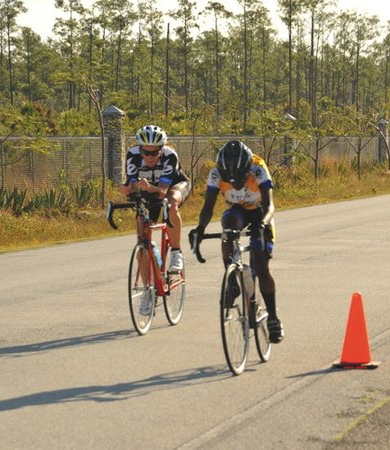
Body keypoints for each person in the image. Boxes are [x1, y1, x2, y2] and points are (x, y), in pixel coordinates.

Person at [189, 140, 284, 343]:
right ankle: (232, 281)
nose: (237, 184)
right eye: (231, 181)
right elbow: (208, 207)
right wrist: (200, 229)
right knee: (229, 226)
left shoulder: (258, 168)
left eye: (241, 179)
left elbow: (270, 206)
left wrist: (263, 225)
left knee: (261, 264)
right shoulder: (215, 174)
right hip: (238, 211)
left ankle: (273, 318)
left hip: (260, 213)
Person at [119, 125, 190, 277]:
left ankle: (177, 252)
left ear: (162, 149)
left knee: (170, 203)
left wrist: (147, 186)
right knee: (142, 240)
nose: (150, 157)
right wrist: (127, 188)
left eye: (155, 152)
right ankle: (147, 291)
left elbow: (162, 190)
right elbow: (132, 183)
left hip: (174, 186)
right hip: (149, 189)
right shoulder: (132, 155)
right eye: (146, 152)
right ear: (140, 149)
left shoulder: (170, 155)